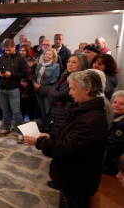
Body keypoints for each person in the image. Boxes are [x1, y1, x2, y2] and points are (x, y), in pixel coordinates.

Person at [25, 70, 108, 208]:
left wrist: (38, 141)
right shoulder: (83, 109)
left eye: (73, 89)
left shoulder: (91, 119)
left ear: (87, 89)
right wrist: (51, 136)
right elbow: (70, 135)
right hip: (71, 175)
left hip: (78, 179)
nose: (70, 93)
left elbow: (67, 148)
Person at [0, 40, 28, 144]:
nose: (7, 52)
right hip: (1, 88)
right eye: (6, 50)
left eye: (9, 50)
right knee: (5, 110)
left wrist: (11, 74)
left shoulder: (20, 59)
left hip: (13, 89)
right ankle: (7, 128)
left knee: (16, 111)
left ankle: (20, 133)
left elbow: (24, 73)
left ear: (14, 47)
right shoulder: (2, 57)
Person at [47, 54, 88, 133]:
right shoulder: (65, 77)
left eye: (74, 62)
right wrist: (53, 99)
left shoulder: (80, 80)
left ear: (81, 64)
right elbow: (51, 90)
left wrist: (53, 95)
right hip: (56, 113)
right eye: (68, 61)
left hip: (66, 114)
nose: (70, 64)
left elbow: (60, 96)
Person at [33, 48, 60, 130]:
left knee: (48, 110)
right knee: (42, 110)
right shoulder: (39, 65)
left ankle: (48, 127)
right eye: (45, 54)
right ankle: (43, 125)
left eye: (49, 54)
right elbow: (35, 77)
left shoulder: (56, 66)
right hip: (38, 90)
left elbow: (53, 79)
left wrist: (40, 84)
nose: (47, 55)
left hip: (47, 90)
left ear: (53, 56)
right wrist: (34, 84)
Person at [19, 44, 38, 121]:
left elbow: (36, 73)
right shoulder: (18, 59)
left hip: (30, 85)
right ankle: (21, 121)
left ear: (27, 51)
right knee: (21, 104)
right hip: (19, 84)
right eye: (21, 50)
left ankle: (31, 120)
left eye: (23, 50)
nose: (22, 52)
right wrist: (20, 82)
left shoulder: (33, 60)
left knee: (31, 104)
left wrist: (31, 82)